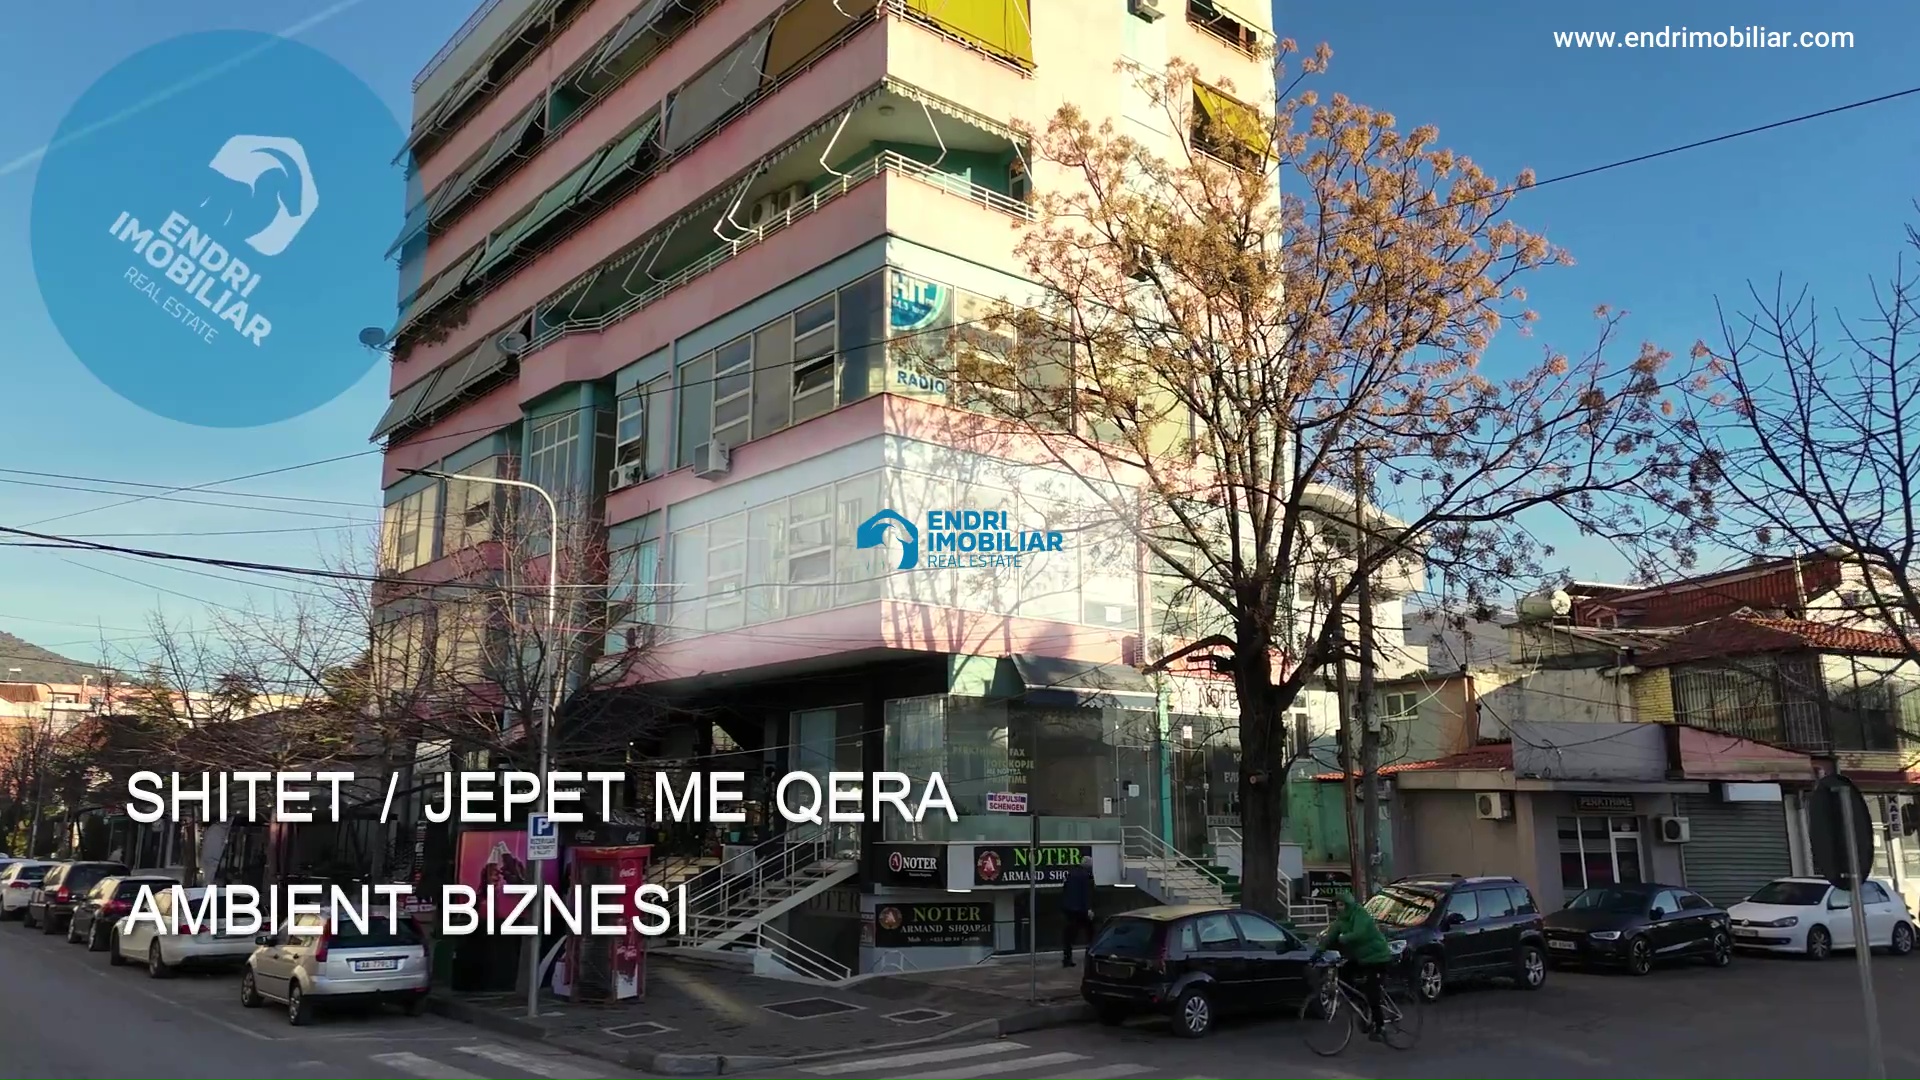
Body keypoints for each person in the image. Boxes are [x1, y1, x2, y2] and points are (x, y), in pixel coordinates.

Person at [1315, 888, 1395, 1038]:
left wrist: (1343, 938)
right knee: (1344, 974)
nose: (1339, 908)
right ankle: (1360, 1003)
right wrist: (1318, 951)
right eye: (1337, 905)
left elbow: (1359, 933)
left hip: (1378, 957)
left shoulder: (1360, 914)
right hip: (1361, 958)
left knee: (1372, 992)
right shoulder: (1340, 920)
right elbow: (1330, 936)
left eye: (1342, 904)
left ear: (1348, 904)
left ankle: (1380, 1027)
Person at [1059, 857, 1095, 967]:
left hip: (1069, 909)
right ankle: (1092, 958)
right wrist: (1088, 909)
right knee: (1091, 934)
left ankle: (1067, 959)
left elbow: (1065, 890)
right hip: (1081, 909)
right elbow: (1086, 893)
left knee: (1068, 936)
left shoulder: (1070, 873)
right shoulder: (1086, 876)